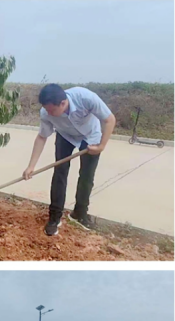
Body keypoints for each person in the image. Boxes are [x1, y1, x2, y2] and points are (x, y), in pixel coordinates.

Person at [22, 84, 116, 236]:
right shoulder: (46, 112)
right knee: (60, 173)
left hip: (90, 136)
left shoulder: (86, 98)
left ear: (63, 103)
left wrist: (101, 146)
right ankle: (54, 217)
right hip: (65, 136)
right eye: (46, 109)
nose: (49, 113)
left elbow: (109, 120)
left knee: (86, 176)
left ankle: (79, 213)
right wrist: (31, 166)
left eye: (52, 110)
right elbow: (42, 137)